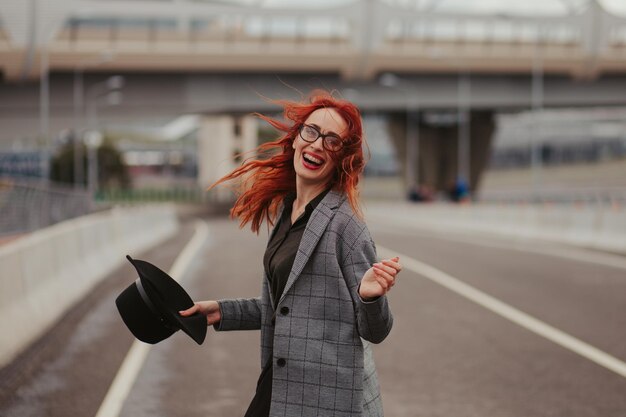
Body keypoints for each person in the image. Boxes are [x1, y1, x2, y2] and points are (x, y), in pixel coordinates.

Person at [180, 90, 402, 417]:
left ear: (342, 157)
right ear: (296, 139)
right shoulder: (289, 213)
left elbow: (376, 330)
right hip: (281, 385)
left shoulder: (346, 226)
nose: (316, 144)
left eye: (332, 141)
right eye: (310, 132)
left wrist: (370, 297)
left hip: (329, 400)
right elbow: (288, 309)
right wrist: (220, 312)